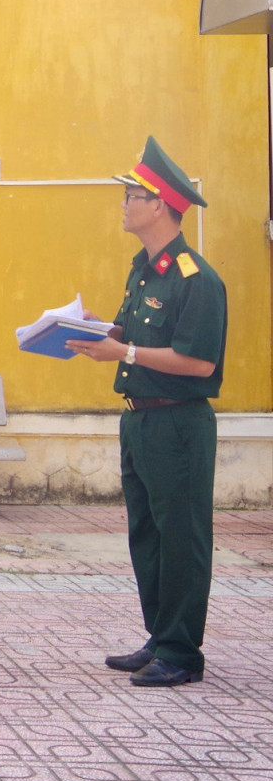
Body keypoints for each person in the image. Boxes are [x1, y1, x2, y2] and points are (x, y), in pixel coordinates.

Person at [67, 137, 227, 689]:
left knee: (181, 535)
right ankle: (160, 637)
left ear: (159, 204)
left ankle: (183, 652)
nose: (124, 203)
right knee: (149, 533)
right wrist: (89, 331)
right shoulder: (143, 271)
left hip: (179, 423)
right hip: (139, 420)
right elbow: (124, 333)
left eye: (132, 194)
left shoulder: (195, 279)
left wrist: (125, 352)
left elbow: (201, 362)